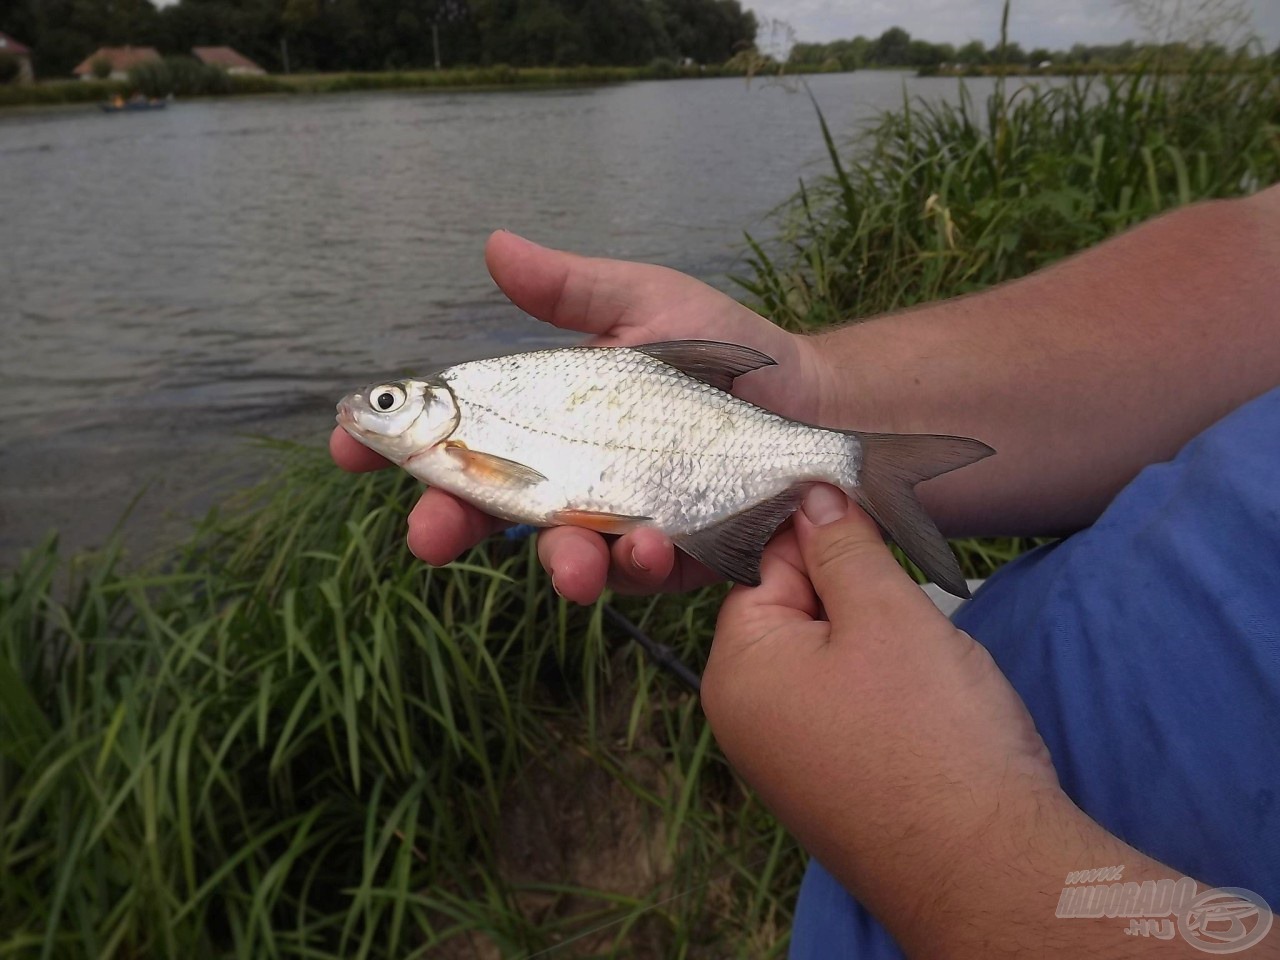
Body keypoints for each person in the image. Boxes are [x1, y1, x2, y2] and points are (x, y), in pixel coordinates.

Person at [330, 185, 1280, 957]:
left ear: (427, 409)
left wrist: (963, 858)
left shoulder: (472, 407)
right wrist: (818, 390)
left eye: (385, 402)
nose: (369, 412)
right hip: (934, 745)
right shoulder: (480, 406)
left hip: (936, 817)